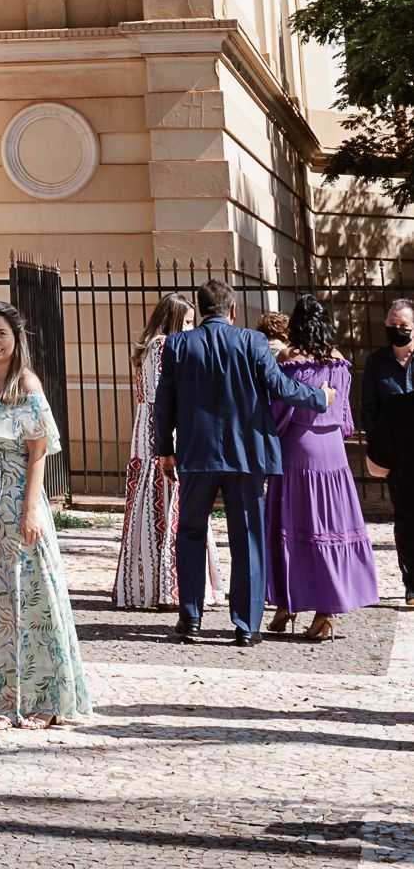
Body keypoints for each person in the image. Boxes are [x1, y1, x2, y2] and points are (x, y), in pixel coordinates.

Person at [151, 276, 332, 647]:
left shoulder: (178, 344)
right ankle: (247, 625)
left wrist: (163, 449)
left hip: (196, 453)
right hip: (247, 454)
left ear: (201, 310)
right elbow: (279, 387)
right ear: (232, 310)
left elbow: (163, 400)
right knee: (247, 537)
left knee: (189, 533)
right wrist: (319, 397)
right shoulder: (252, 340)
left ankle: (191, 617)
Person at [0, 300, 91, 729]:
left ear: (15, 337)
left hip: (20, 505)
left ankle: (42, 700)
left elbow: (38, 452)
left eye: (1, 333)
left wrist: (32, 510)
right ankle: (3, 701)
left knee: (30, 604)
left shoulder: (27, 383)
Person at [266, 295, 378, 641]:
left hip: (298, 449)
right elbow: (345, 415)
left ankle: (287, 602)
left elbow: (279, 412)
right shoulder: (340, 362)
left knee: (292, 524)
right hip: (333, 452)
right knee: (330, 525)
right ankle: (325, 611)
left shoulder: (289, 360)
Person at [113, 294, 224, 612]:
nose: (191, 328)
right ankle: (171, 588)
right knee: (173, 505)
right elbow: (170, 394)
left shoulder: (144, 348)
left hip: (142, 430)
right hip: (165, 428)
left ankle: (144, 585)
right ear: (174, 320)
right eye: (188, 322)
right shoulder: (166, 346)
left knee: (148, 506)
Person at [362, 293, 414, 610]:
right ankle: (411, 585)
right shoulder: (376, 363)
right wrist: (380, 445)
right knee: (406, 520)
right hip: (398, 456)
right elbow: (369, 410)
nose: (398, 329)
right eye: (393, 325)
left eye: (404, 325)